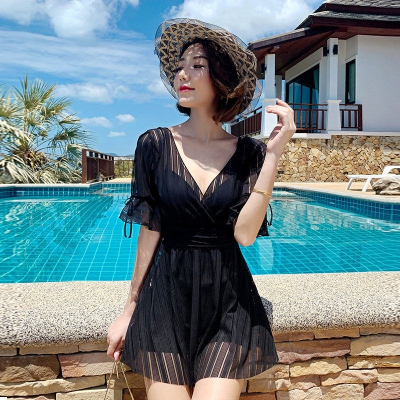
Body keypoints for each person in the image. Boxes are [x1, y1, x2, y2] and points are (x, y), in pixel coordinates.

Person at [107, 18, 296, 400]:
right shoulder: (155, 144)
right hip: (164, 301)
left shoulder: (249, 153)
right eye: (179, 67)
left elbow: (245, 234)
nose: (182, 75)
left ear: (221, 79)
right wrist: (129, 309)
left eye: (197, 66)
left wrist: (273, 155)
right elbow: (151, 228)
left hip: (228, 304)